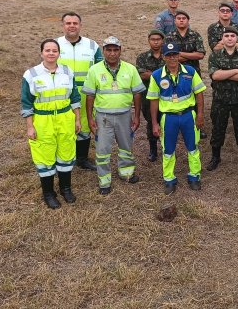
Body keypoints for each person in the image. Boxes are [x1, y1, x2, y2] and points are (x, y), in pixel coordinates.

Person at [21, 39, 81, 209]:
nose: (51, 53)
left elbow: (74, 97)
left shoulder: (67, 71)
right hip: (43, 120)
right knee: (45, 157)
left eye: (54, 50)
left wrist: (77, 119)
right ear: (41, 53)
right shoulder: (31, 74)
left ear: (59, 53)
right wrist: (30, 126)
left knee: (66, 153)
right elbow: (26, 103)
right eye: (47, 50)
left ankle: (65, 189)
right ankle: (48, 193)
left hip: (65, 118)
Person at [83, 36, 145, 195]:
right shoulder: (94, 70)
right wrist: (90, 118)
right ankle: (104, 180)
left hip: (124, 116)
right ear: (103, 51)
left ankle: (126, 173)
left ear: (120, 51)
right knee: (102, 149)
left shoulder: (130, 69)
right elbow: (89, 96)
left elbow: (137, 94)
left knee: (126, 146)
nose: (112, 53)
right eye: (108, 50)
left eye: (115, 50)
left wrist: (136, 116)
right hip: (103, 117)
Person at [147, 42, 206, 194]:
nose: (172, 58)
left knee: (193, 147)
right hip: (168, 118)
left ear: (179, 56)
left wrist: (200, 115)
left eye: (175, 55)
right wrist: (154, 123)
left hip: (188, 116)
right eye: (169, 55)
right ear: (163, 57)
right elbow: (153, 101)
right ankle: (169, 179)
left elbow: (199, 94)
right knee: (168, 149)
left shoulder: (191, 72)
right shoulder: (156, 76)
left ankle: (194, 176)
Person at [56, 12, 102, 171]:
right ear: (63, 25)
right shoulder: (55, 45)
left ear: (80, 25)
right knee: (62, 124)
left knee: (84, 124)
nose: (72, 26)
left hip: (85, 94)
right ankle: (63, 157)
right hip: (61, 94)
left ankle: (82, 159)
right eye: (68, 23)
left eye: (75, 23)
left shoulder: (92, 45)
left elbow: (100, 68)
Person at [206, 26, 238, 171]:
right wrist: (236, 71)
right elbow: (215, 76)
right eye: (227, 36)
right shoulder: (215, 55)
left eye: (233, 35)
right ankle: (215, 157)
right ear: (222, 39)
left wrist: (224, 73)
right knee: (218, 129)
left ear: (237, 39)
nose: (230, 38)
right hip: (220, 101)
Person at [135, 29, 166, 162]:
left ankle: (166, 148)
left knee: (166, 122)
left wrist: (151, 73)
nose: (155, 42)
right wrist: (161, 74)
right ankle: (153, 149)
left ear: (162, 41)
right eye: (153, 39)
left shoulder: (168, 55)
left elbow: (173, 71)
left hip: (166, 96)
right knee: (151, 122)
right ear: (149, 41)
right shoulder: (142, 57)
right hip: (148, 96)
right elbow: (142, 75)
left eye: (158, 39)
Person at [166, 10, 206, 74]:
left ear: (188, 21)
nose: (181, 20)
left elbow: (200, 55)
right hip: (175, 73)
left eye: (184, 18)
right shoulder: (169, 37)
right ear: (175, 21)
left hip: (193, 72)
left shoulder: (195, 35)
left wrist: (179, 53)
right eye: (179, 18)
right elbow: (169, 58)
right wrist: (192, 55)